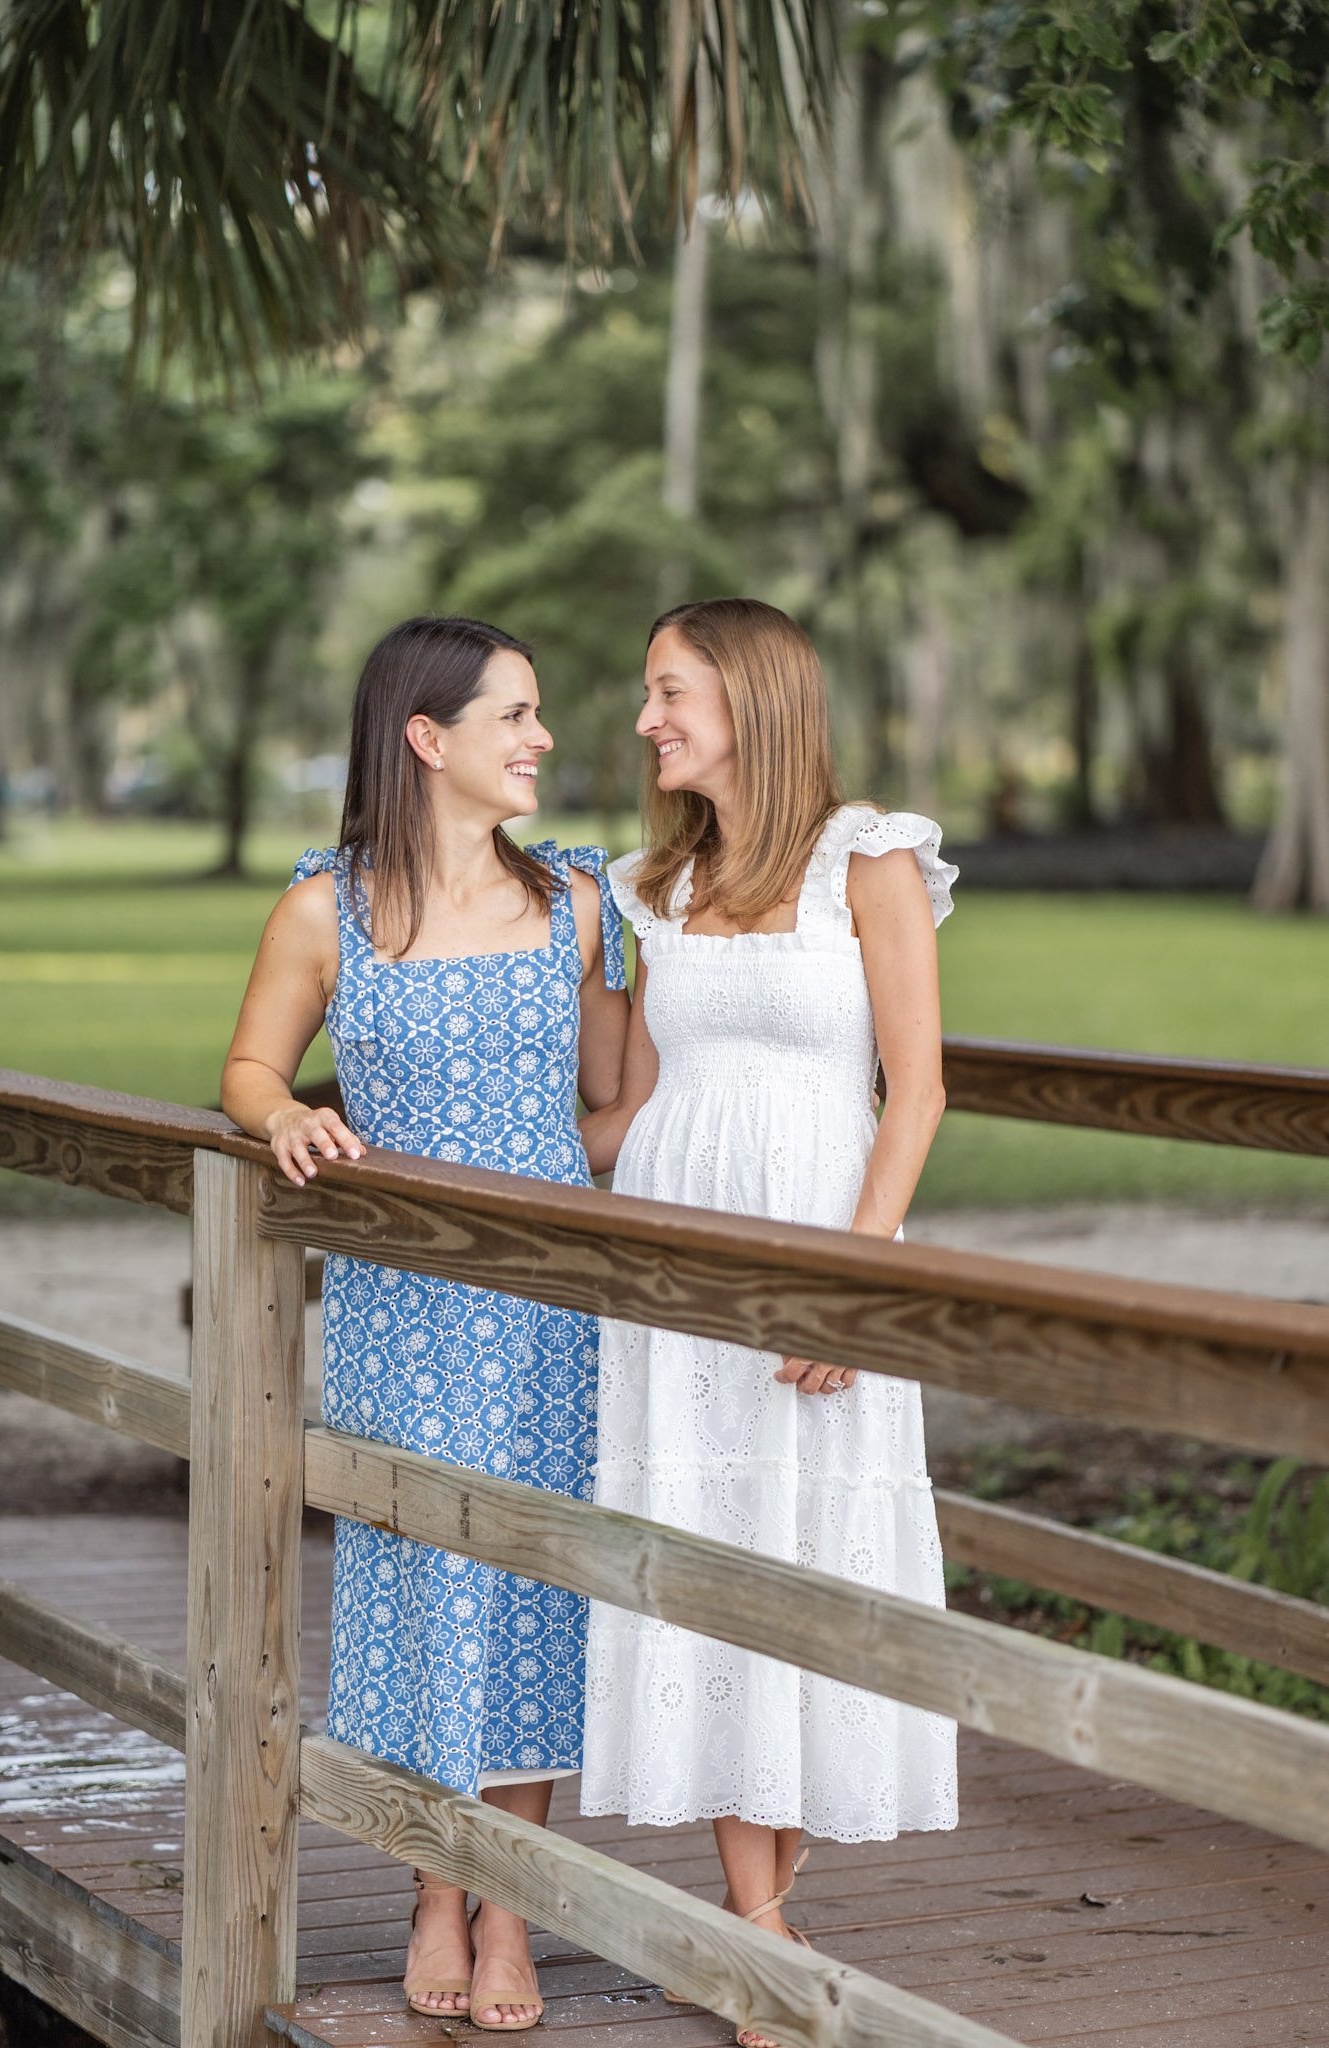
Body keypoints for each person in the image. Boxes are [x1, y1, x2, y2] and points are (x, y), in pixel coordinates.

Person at [222, 614, 627, 2032]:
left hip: (544, 1312)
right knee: (413, 1592)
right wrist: (289, 1116)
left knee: (531, 1590)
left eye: (537, 714)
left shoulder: (577, 904)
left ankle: (507, 1901)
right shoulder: (324, 907)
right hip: (400, 1306)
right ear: (426, 739)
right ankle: (427, 1889)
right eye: (513, 715)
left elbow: (621, 1099)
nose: (542, 739)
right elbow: (250, 1065)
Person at [579, 597, 958, 2048]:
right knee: (715, 1554)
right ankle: (755, 1931)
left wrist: (855, 1285)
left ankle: (752, 1928)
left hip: (826, 1246)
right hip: (680, 1270)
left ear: (751, 697)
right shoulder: (647, 887)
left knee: (811, 1555)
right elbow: (617, 1111)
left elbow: (914, 1090)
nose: (644, 719)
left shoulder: (867, 859)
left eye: (667, 690)